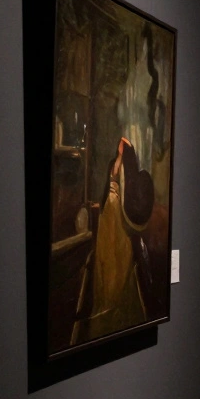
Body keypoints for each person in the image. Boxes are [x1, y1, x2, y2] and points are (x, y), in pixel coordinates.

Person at [78, 136, 155, 343]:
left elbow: (132, 199)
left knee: (120, 269)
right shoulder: (114, 164)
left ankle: (117, 313)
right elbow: (108, 187)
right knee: (105, 264)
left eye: (124, 144)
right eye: (119, 144)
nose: (121, 144)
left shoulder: (131, 173)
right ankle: (104, 311)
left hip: (120, 224)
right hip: (108, 221)